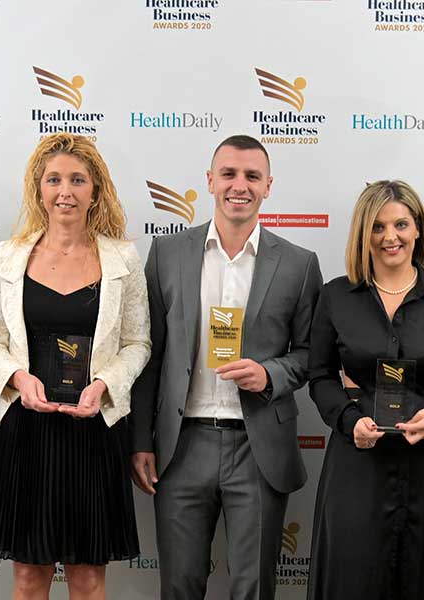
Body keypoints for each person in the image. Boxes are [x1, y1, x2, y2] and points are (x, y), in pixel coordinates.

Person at [129, 134, 323, 599]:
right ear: (210, 181)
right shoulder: (168, 254)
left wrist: (269, 374)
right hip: (182, 445)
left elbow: (312, 354)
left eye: (253, 176)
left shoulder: (299, 264)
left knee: (253, 587)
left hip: (258, 446)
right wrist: (140, 441)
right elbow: (149, 353)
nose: (240, 185)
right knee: (179, 585)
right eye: (229, 174)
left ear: (268, 185)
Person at [0, 133, 150, 600]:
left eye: (77, 180)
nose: (65, 191)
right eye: (54, 180)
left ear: (96, 190)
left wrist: (105, 384)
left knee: (88, 579)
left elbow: (138, 343)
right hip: (26, 430)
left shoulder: (123, 258)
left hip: (95, 430)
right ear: (39, 189)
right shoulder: (10, 255)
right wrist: (17, 378)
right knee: (28, 577)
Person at [307, 180, 424, 600]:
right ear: (363, 233)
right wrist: (349, 420)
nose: (390, 237)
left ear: (418, 229)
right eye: (378, 227)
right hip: (357, 464)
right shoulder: (335, 296)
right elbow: (321, 375)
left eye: (401, 224)